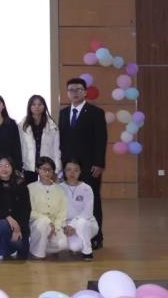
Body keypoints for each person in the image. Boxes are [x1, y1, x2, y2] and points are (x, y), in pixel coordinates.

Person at [59, 78, 106, 249]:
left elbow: (101, 139)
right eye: (71, 90)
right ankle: (73, 232)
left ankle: (96, 237)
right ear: (67, 93)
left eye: (78, 89)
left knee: (93, 199)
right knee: (70, 201)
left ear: (85, 92)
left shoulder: (95, 112)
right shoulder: (63, 113)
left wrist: (99, 163)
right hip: (68, 167)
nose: (75, 93)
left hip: (90, 166)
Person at [0, 156, 30, 261]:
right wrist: (8, 218)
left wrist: (18, 227)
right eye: (0, 166)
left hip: (18, 227)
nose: (4, 169)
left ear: (12, 167)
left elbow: (26, 209)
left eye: (7, 165)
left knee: (20, 247)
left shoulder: (21, 184)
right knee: (2, 225)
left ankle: (9, 249)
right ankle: (0, 251)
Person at [28, 156, 68, 259]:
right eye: (43, 169)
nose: (47, 172)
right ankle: (38, 254)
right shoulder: (30, 188)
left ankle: (38, 245)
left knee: (63, 244)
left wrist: (56, 227)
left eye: (49, 170)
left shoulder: (60, 190)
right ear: (37, 170)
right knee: (43, 224)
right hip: (36, 224)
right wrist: (47, 222)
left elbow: (62, 212)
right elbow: (29, 211)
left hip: (54, 226)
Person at [60, 159, 98, 260]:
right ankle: (78, 243)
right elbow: (57, 211)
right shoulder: (59, 188)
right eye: (69, 170)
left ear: (80, 172)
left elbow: (87, 212)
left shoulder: (87, 188)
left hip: (87, 223)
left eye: (76, 170)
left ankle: (87, 252)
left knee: (81, 223)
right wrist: (65, 226)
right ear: (64, 171)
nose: (72, 173)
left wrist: (73, 225)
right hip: (66, 226)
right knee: (74, 247)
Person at [20, 95, 61, 184]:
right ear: (29, 107)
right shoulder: (22, 125)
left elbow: (56, 148)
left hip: (47, 166)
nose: (37, 107)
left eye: (40, 104)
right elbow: (20, 147)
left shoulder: (52, 125)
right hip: (29, 166)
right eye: (34, 104)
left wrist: (57, 169)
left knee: (47, 190)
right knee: (30, 190)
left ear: (44, 106)